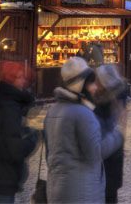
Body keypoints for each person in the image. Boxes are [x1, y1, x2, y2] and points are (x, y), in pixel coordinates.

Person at [44, 57, 124, 203]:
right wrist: (117, 135)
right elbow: (95, 153)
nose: (94, 88)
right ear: (80, 85)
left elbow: (49, 155)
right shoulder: (84, 114)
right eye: (90, 83)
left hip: (57, 190)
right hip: (81, 192)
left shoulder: (53, 111)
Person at [0, 61, 39, 203]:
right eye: (19, 77)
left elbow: (5, 135)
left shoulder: (3, 102)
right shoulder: (8, 107)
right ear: (10, 80)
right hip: (0, 177)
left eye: (24, 77)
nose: (23, 81)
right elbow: (14, 149)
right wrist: (33, 138)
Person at [93, 64, 130, 204]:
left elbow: (111, 129)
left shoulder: (105, 101)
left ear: (104, 82)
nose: (95, 82)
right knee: (110, 195)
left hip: (107, 158)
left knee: (108, 195)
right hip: (113, 157)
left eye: (97, 79)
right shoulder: (117, 96)